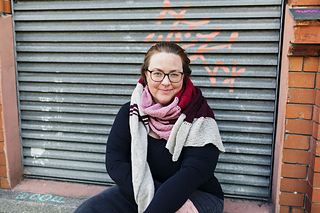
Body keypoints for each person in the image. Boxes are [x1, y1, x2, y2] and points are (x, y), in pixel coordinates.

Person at [75, 42, 225, 213]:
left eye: (174, 74)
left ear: (184, 77)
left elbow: (193, 173)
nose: (166, 82)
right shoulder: (130, 112)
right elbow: (116, 163)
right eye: (157, 74)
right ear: (146, 75)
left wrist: (171, 202)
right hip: (141, 186)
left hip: (195, 193)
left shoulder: (200, 117)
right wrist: (154, 194)